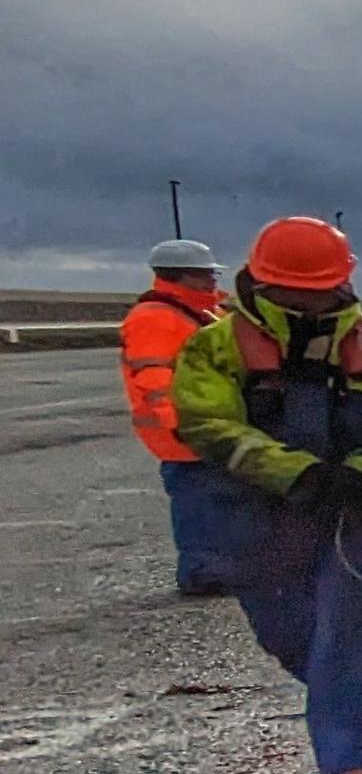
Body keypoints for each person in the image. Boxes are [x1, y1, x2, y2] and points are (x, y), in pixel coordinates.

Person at [172, 217, 362, 774]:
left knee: (345, 620)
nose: (307, 302)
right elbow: (206, 423)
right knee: (289, 633)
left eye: (319, 291)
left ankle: (359, 763)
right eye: (294, 292)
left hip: (359, 513)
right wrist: (294, 472)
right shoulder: (214, 349)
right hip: (255, 515)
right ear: (261, 284)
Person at [120, 239, 231, 594]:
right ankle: (201, 573)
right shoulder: (155, 318)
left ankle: (217, 567)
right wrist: (178, 423)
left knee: (217, 501)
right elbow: (155, 378)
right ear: (180, 276)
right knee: (198, 502)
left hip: (206, 425)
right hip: (183, 432)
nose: (213, 280)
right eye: (205, 274)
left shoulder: (203, 313)